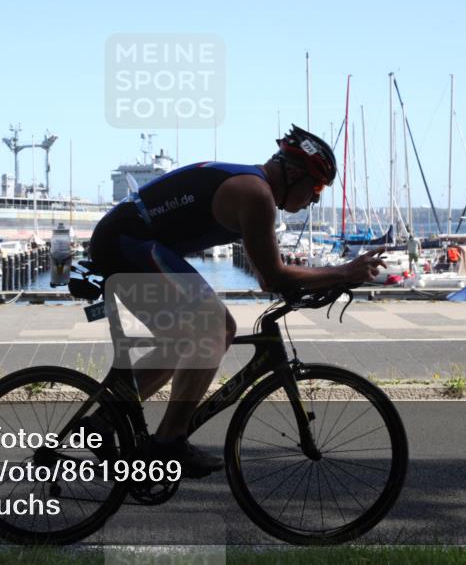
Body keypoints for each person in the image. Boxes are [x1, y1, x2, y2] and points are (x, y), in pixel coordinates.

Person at [87, 125, 387, 478]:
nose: (316, 198)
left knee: (185, 342)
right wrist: (343, 271)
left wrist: (319, 282)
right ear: (292, 174)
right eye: (317, 187)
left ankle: (104, 423)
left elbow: (268, 277)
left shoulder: (253, 187)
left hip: (125, 241)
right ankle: (168, 443)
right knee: (216, 326)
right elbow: (273, 277)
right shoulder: (255, 194)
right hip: (127, 242)